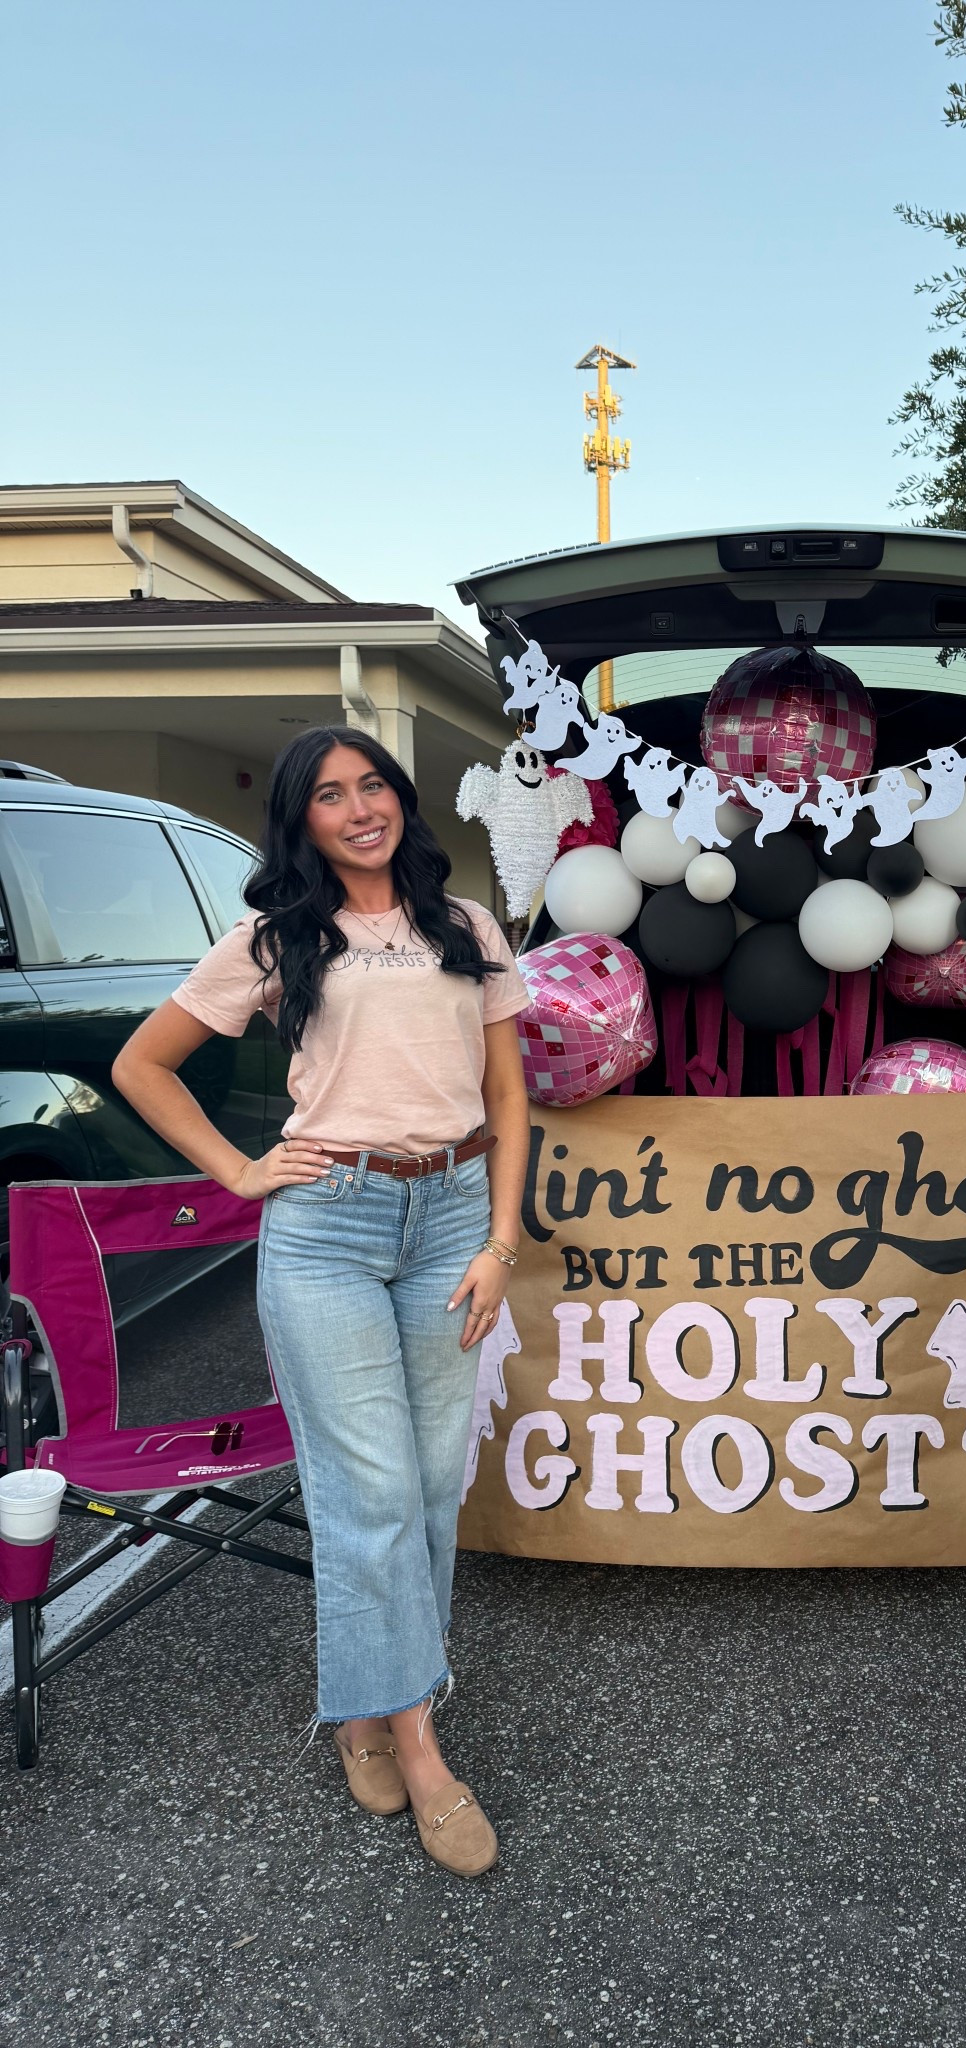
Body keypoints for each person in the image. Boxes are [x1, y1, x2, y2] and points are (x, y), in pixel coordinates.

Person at [114, 728, 530, 1878]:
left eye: (374, 787)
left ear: (402, 800)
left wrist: (502, 1239)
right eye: (331, 796)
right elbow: (143, 1063)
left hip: (450, 1216)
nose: (360, 809)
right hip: (328, 1227)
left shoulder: (468, 929)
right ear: (301, 822)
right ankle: (417, 1738)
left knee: (434, 1482)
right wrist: (241, 1170)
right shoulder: (272, 938)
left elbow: (507, 1090)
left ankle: (362, 1707)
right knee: (373, 1488)